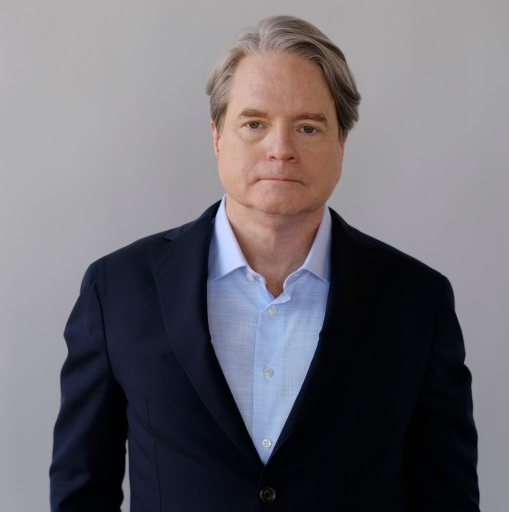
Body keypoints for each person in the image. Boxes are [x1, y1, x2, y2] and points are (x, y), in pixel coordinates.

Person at [50, 15, 480, 511]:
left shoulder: (416, 300)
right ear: (217, 136)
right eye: (254, 123)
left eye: (307, 127)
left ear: (341, 143)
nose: (281, 150)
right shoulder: (118, 290)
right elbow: (81, 491)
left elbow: (447, 497)